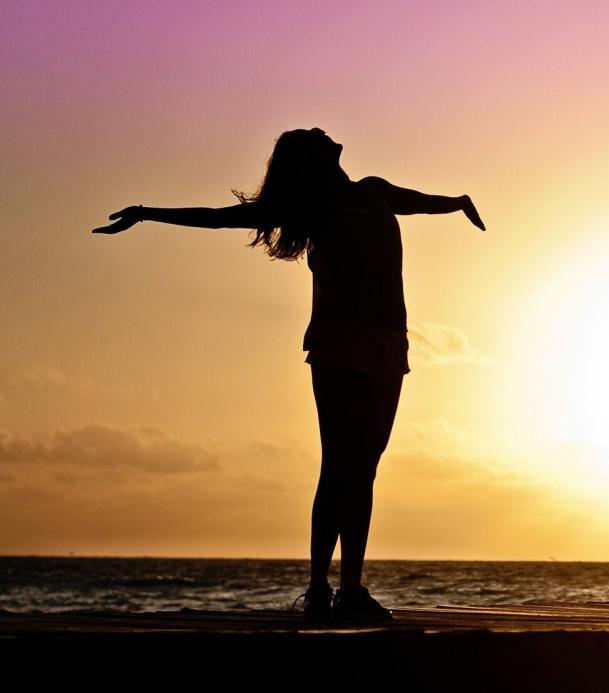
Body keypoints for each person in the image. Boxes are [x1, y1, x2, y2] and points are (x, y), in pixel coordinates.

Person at [92, 127, 486, 622]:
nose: (323, 132)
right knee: (338, 466)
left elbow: (420, 203)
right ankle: (320, 588)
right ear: (310, 162)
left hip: (390, 346)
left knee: (364, 469)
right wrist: (147, 212)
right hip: (338, 346)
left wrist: (458, 202)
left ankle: (351, 588)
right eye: (312, 137)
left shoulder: (375, 191)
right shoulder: (312, 208)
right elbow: (221, 217)